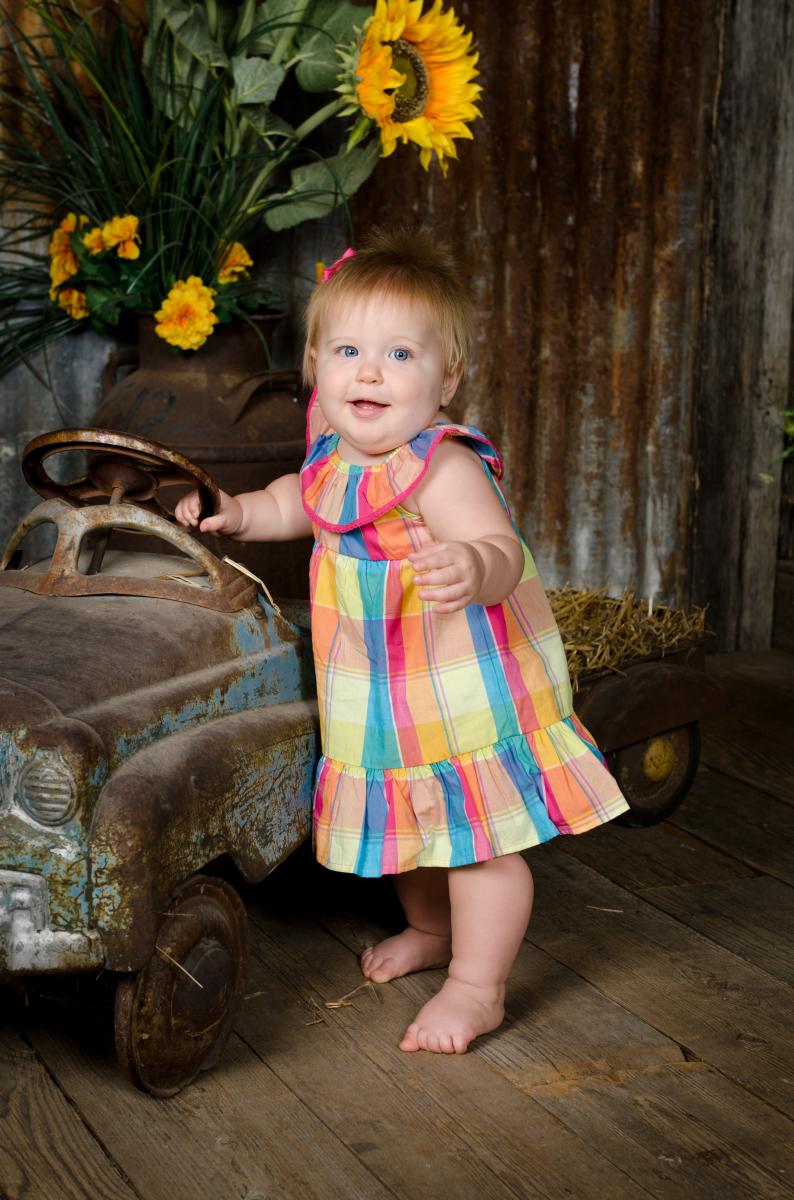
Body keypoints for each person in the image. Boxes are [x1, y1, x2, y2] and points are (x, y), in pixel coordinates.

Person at [175, 228, 630, 1055]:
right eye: (348, 349)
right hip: (376, 687)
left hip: (458, 684)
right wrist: (238, 513)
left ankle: (478, 986)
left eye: (399, 353)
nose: (370, 371)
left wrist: (471, 563)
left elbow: (501, 550)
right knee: (406, 827)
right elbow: (296, 504)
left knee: (477, 841)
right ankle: (431, 932)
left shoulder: (441, 466)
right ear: (316, 365)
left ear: (447, 378)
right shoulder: (329, 455)